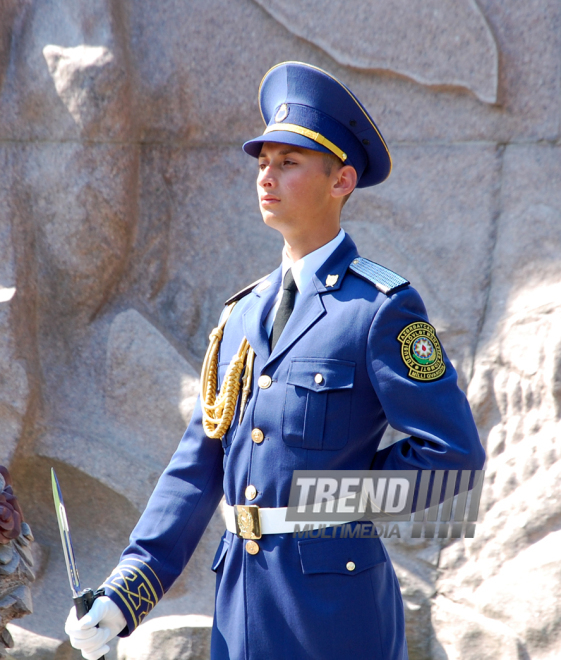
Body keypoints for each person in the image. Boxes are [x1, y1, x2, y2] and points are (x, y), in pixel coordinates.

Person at [66, 61, 485, 660]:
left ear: (341, 180)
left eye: (288, 163)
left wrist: (329, 500)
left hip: (337, 616)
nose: (267, 176)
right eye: (262, 163)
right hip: (240, 610)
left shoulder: (380, 308)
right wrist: (124, 593)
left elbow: (455, 455)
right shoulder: (241, 316)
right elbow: (196, 469)